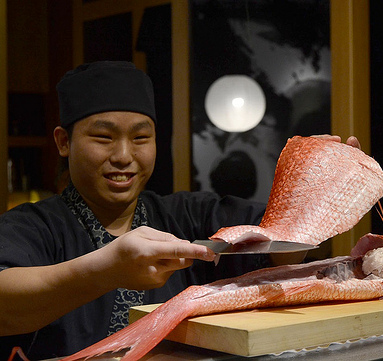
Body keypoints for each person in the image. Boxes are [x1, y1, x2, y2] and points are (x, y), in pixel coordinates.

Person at [0, 61, 360, 359]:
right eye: (104, 137)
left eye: (141, 138)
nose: (124, 156)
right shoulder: (33, 227)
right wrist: (106, 271)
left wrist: (315, 201)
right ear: (64, 142)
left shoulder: (190, 216)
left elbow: (281, 250)